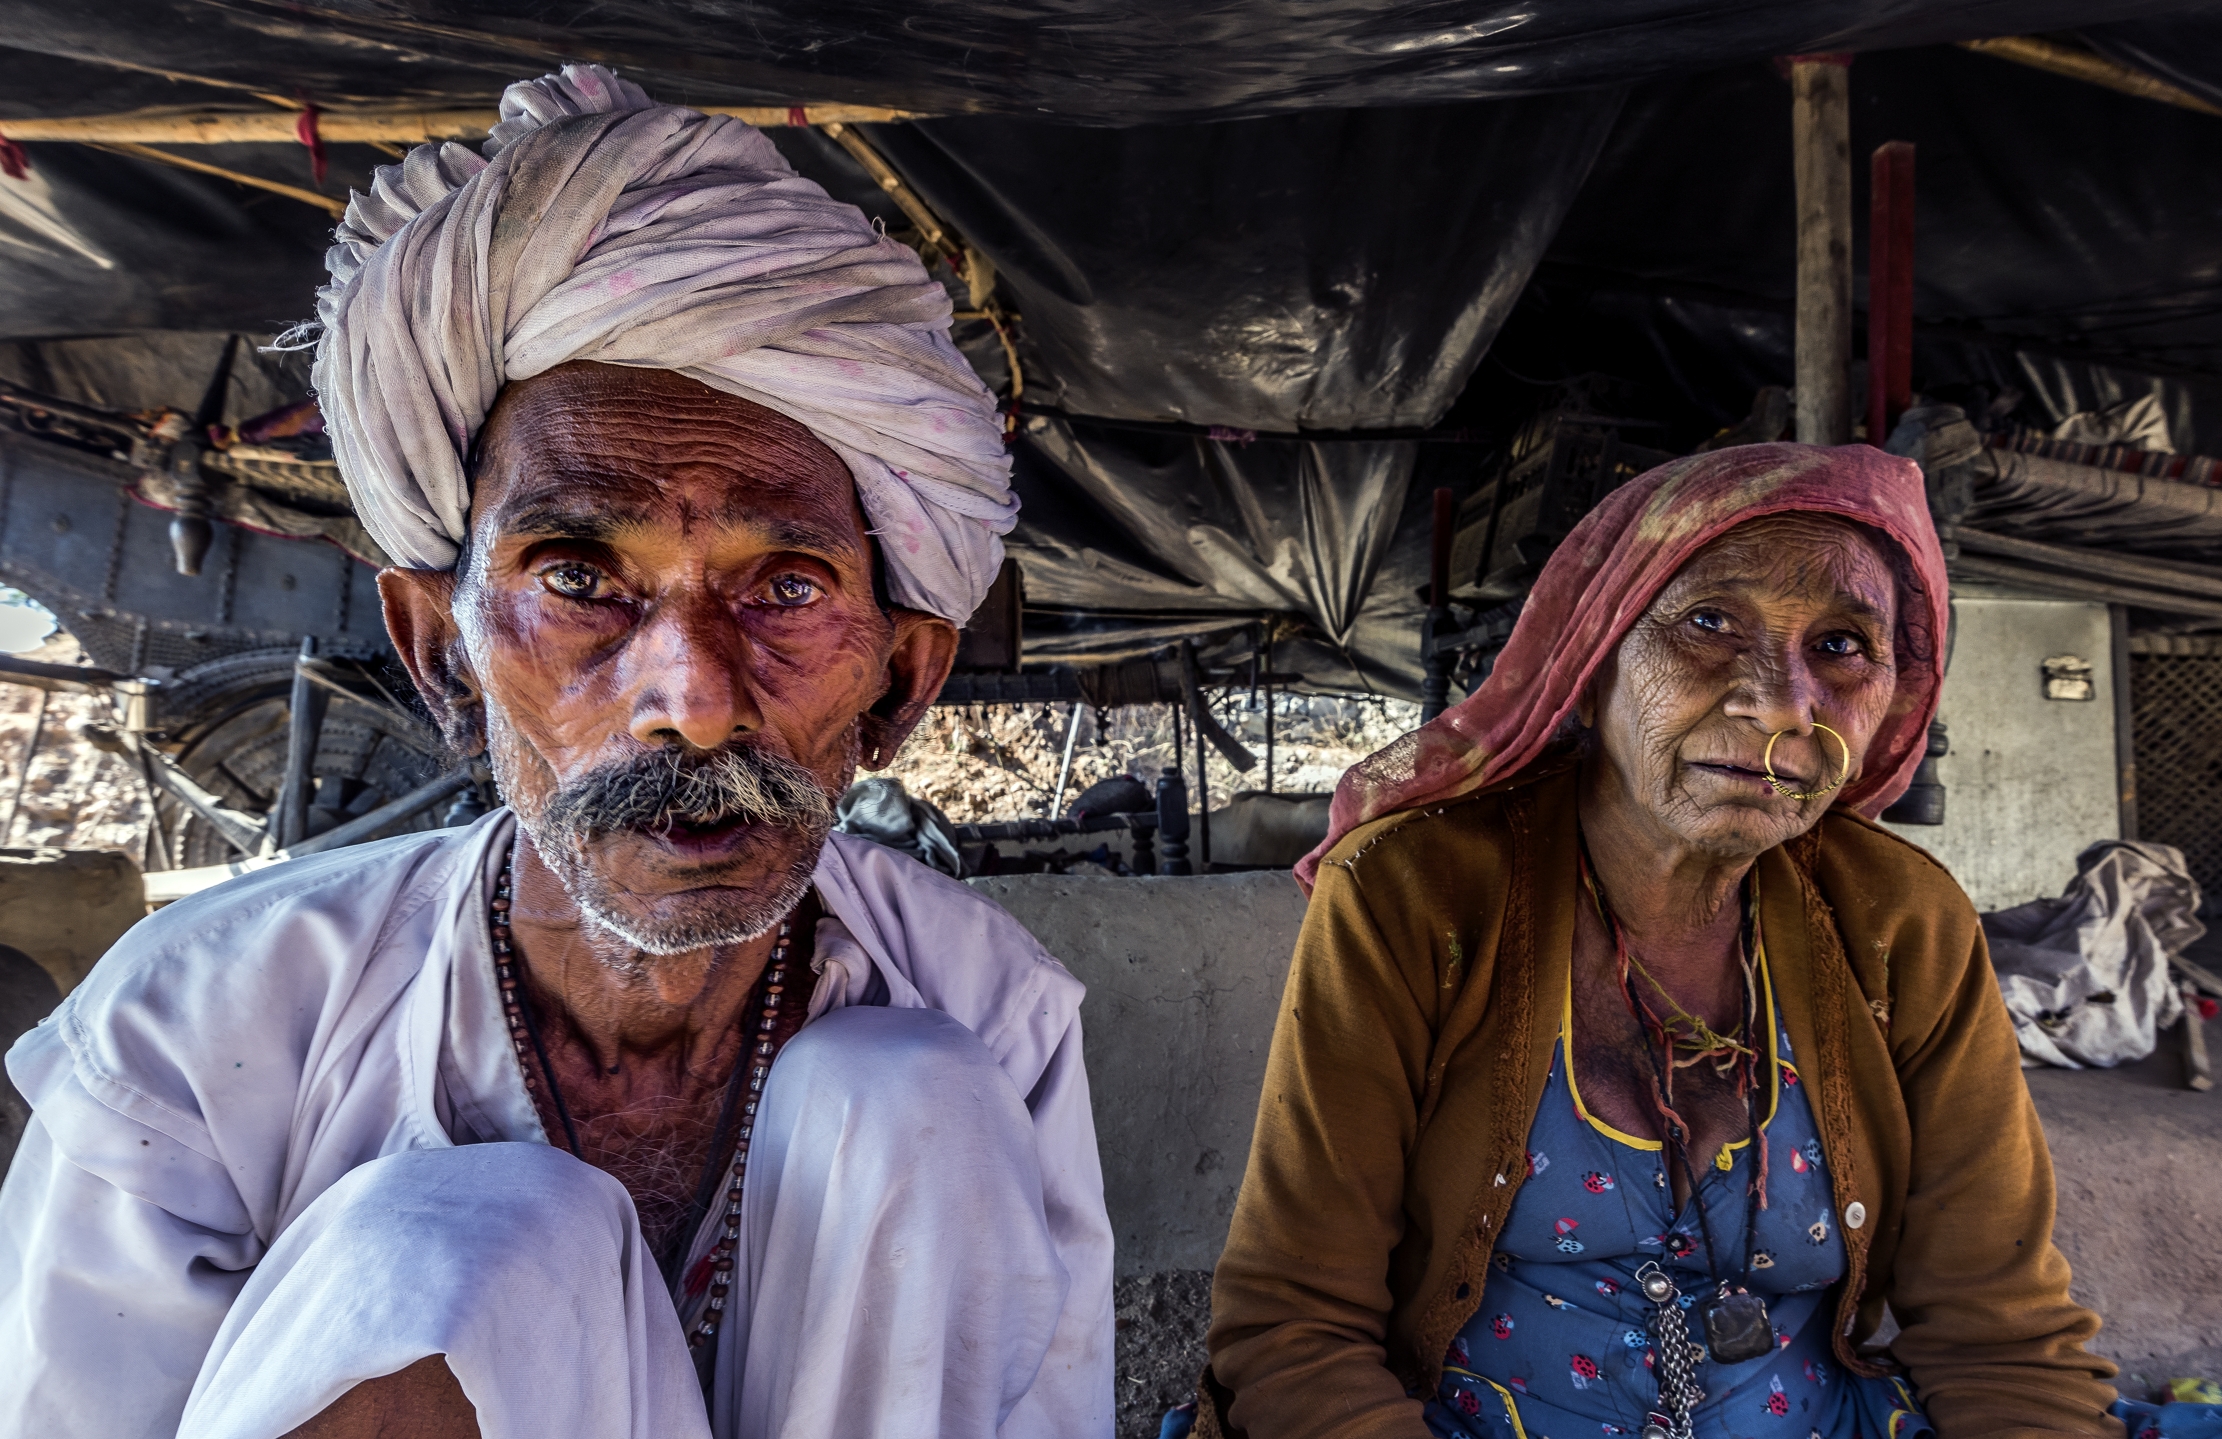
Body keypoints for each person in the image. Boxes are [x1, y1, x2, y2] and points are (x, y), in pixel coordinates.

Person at [0, 66, 1112, 1439]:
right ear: (441, 651)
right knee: (456, 1259)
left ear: (900, 683)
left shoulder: (994, 1012)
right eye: (580, 578)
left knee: (909, 1093)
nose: (690, 702)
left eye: (783, 589)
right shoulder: (193, 1027)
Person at [1195, 444, 2121, 1439]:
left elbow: (2001, 1336)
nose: (1780, 702)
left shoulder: (1902, 921)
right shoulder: (1413, 892)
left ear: (1892, 693)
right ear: (1590, 660)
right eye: (1708, 623)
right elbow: (1296, 1325)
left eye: (1840, 644)